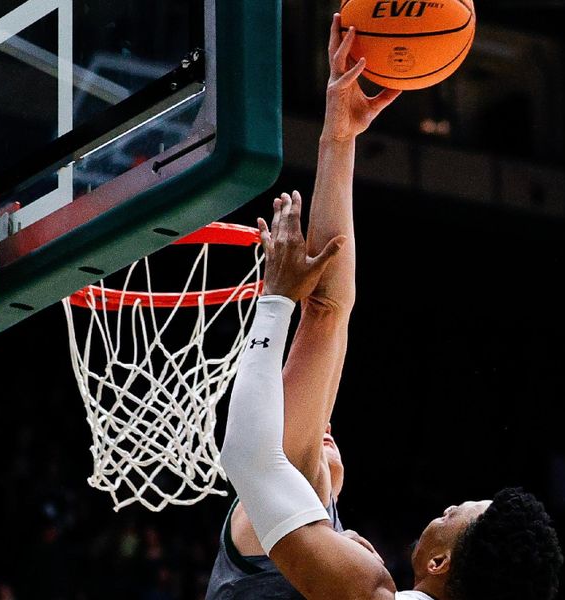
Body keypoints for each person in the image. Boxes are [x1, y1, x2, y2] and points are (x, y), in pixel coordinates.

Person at [220, 191, 564, 600]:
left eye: (452, 514)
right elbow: (330, 307)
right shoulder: (364, 579)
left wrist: (276, 300)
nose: (449, 508)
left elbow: (247, 456)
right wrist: (339, 140)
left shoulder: (367, 588)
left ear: (439, 563)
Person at [205, 13, 401, 599]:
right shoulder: (316, 534)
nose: (320, 421)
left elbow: (327, 310)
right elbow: (333, 311)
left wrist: (337, 137)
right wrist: (341, 139)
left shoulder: (291, 503)